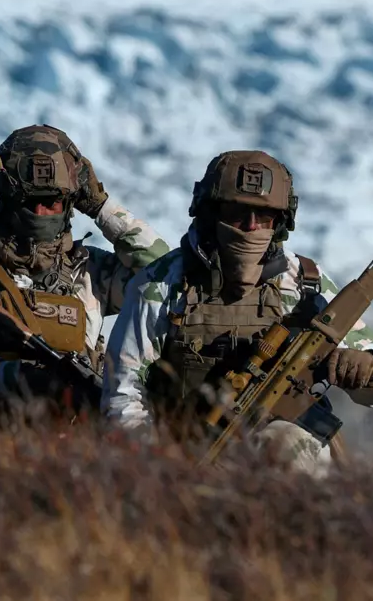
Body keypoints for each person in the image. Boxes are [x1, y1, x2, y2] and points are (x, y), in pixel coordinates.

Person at [104, 150, 373, 474]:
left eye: (264, 217)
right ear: (210, 214)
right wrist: (158, 469)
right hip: (186, 457)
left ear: (280, 223)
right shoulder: (161, 285)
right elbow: (124, 396)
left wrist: (363, 370)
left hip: (290, 462)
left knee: (291, 444)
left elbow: (366, 379)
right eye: (236, 214)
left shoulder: (305, 286)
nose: (250, 226)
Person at [0, 124, 169, 409]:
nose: (41, 213)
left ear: (71, 203)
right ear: (6, 196)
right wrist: (11, 378)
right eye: (29, 201)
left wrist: (101, 206)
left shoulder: (90, 271)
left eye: (52, 201)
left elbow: (163, 277)